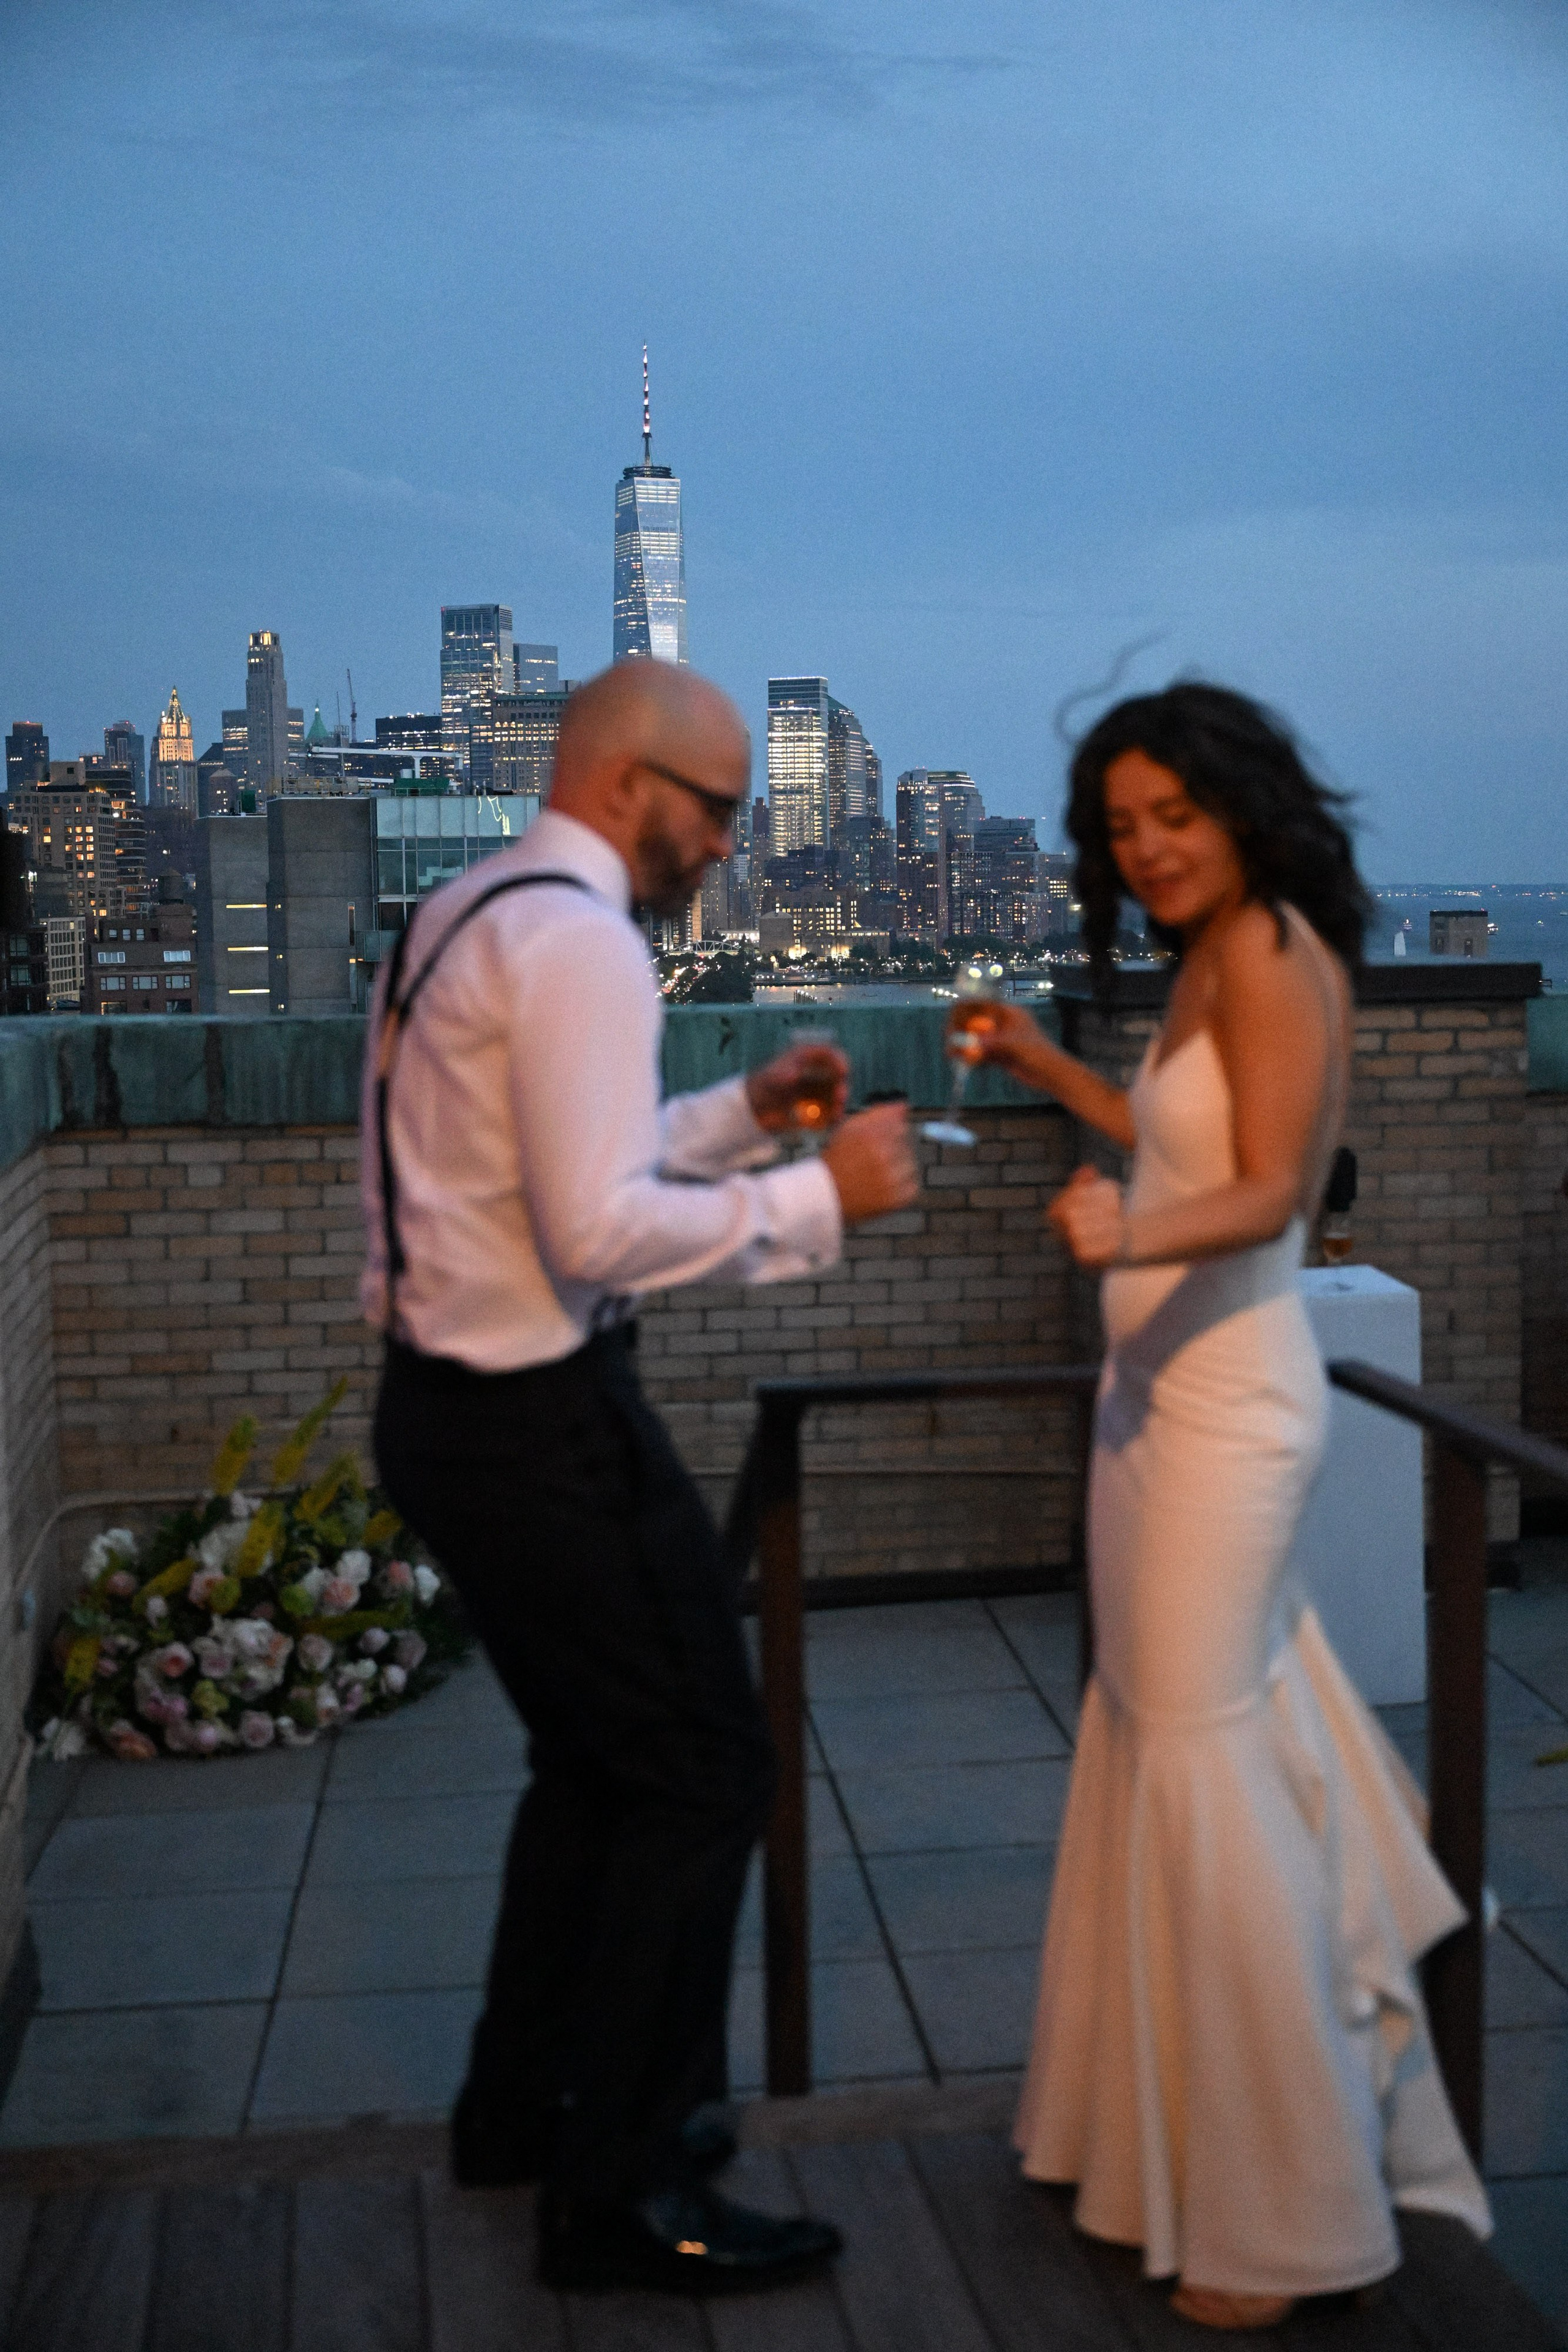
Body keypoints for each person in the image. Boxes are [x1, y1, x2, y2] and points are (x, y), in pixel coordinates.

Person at [361, 659, 918, 2295]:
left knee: (597, 1769)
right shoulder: (586, 940)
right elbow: (594, 1231)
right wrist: (830, 1203)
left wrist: (745, 1119)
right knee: (701, 1770)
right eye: (719, 811)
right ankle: (619, 2189)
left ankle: (522, 2113)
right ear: (626, 787)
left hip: (446, 1411)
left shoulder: (473, 912)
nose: (732, 847)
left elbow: (566, 1162)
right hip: (538, 1420)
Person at [968, 684, 1490, 2329]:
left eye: (1172, 816)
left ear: (1244, 808)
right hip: (1151, 1408)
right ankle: (1140, 2141)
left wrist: (1124, 1241)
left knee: (1200, 1758)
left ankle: (1286, 2208)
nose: (1148, 850)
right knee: (1154, 1737)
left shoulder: (1272, 951)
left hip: (1228, 1417)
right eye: (1122, 830)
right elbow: (1182, 1145)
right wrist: (1056, 1064)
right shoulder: (1209, 962)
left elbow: (1270, 1185)